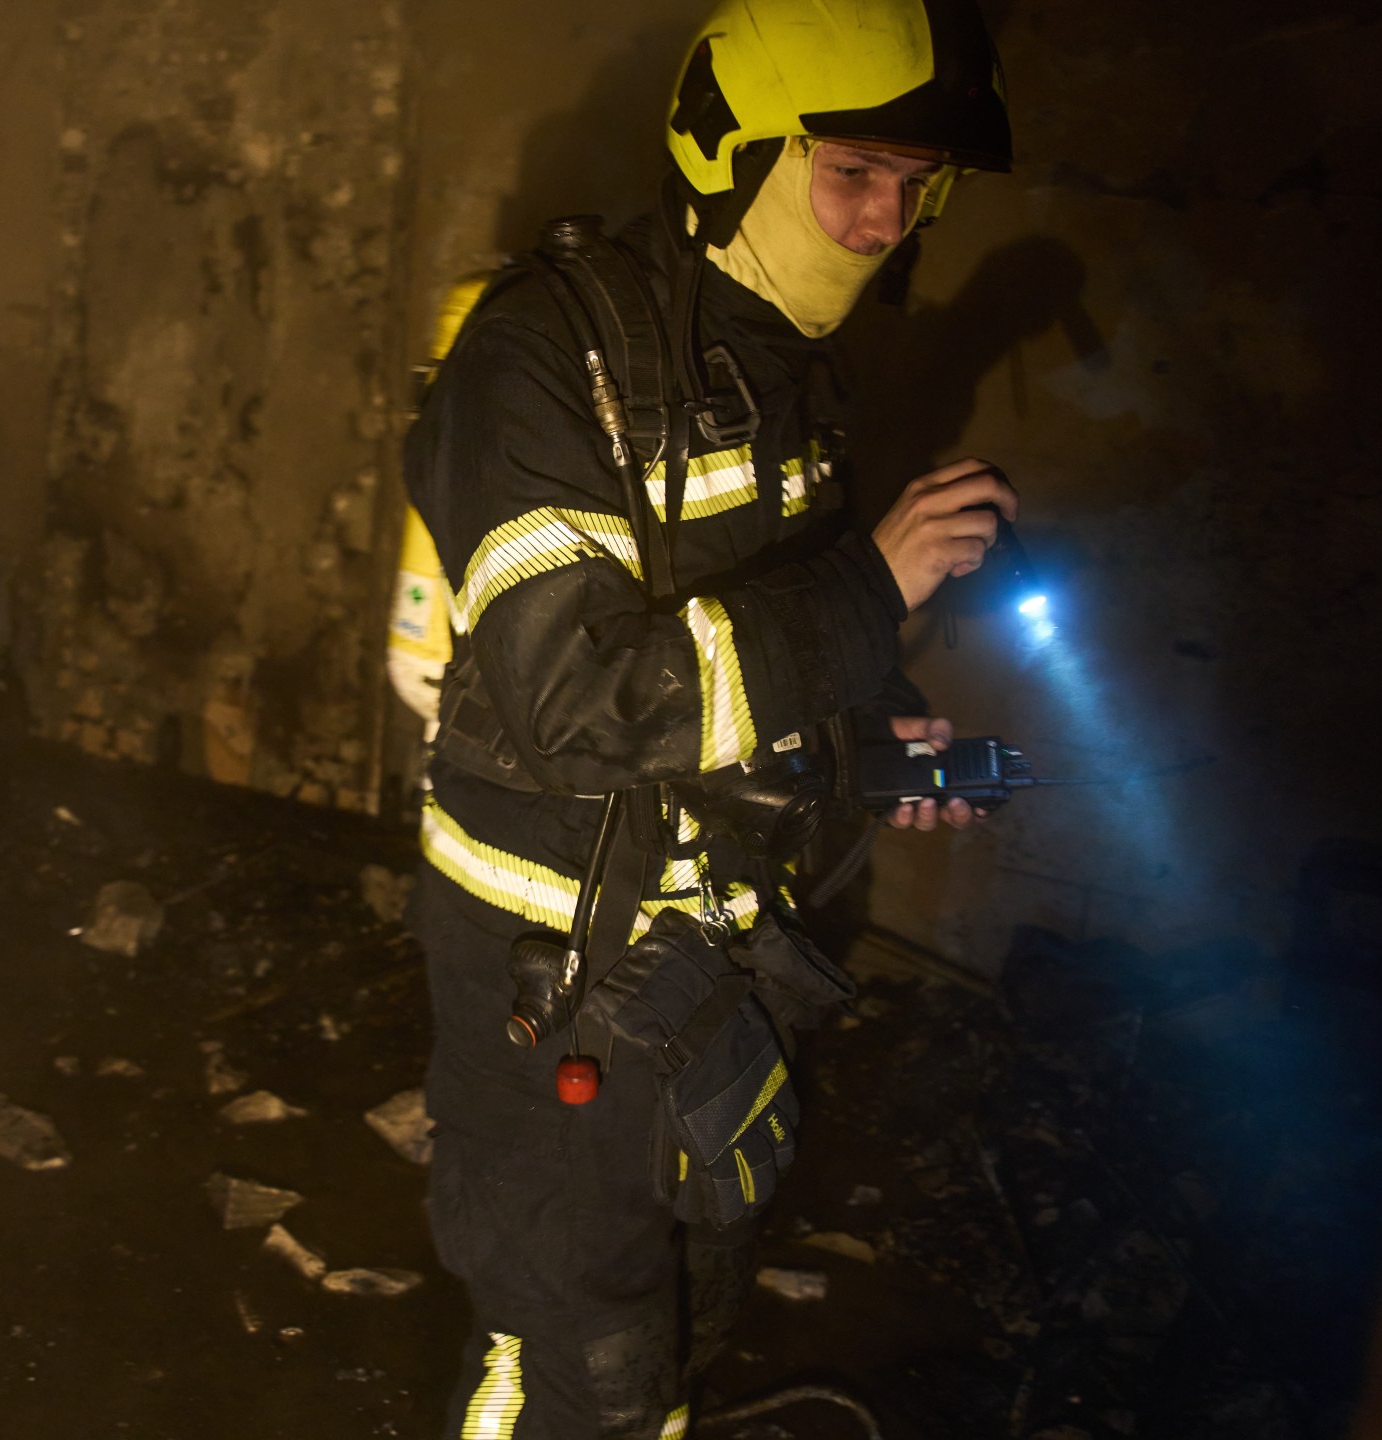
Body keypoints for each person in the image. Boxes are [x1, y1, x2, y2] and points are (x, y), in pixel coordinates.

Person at [397, 2, 1019, 1435]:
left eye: (917, 184)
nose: (884, 223)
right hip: (555, 956)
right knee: (578, 1346)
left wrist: (874, 744)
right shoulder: (547, 361)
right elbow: (579, 702)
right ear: (732, 149)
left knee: (689, 1299)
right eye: (852, 172)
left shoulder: (776, 365)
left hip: (718, 951)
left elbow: (761, 638)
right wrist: (874, 587)